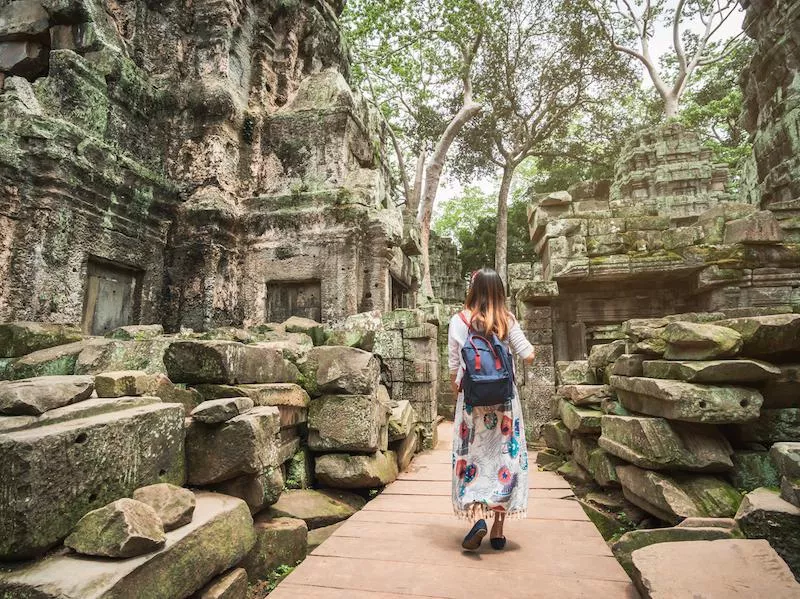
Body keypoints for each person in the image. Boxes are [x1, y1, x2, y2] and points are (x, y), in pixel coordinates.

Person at [448, 267, 535, 551]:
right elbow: (529, 355)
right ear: (500, 291)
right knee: (504, 461)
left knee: (472, 459)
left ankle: (477, 518)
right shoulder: (506, 320)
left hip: (472, 404)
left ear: (472, 290)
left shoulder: (459, 321)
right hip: (505, 405)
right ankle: (498, 530)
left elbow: (453, 370)